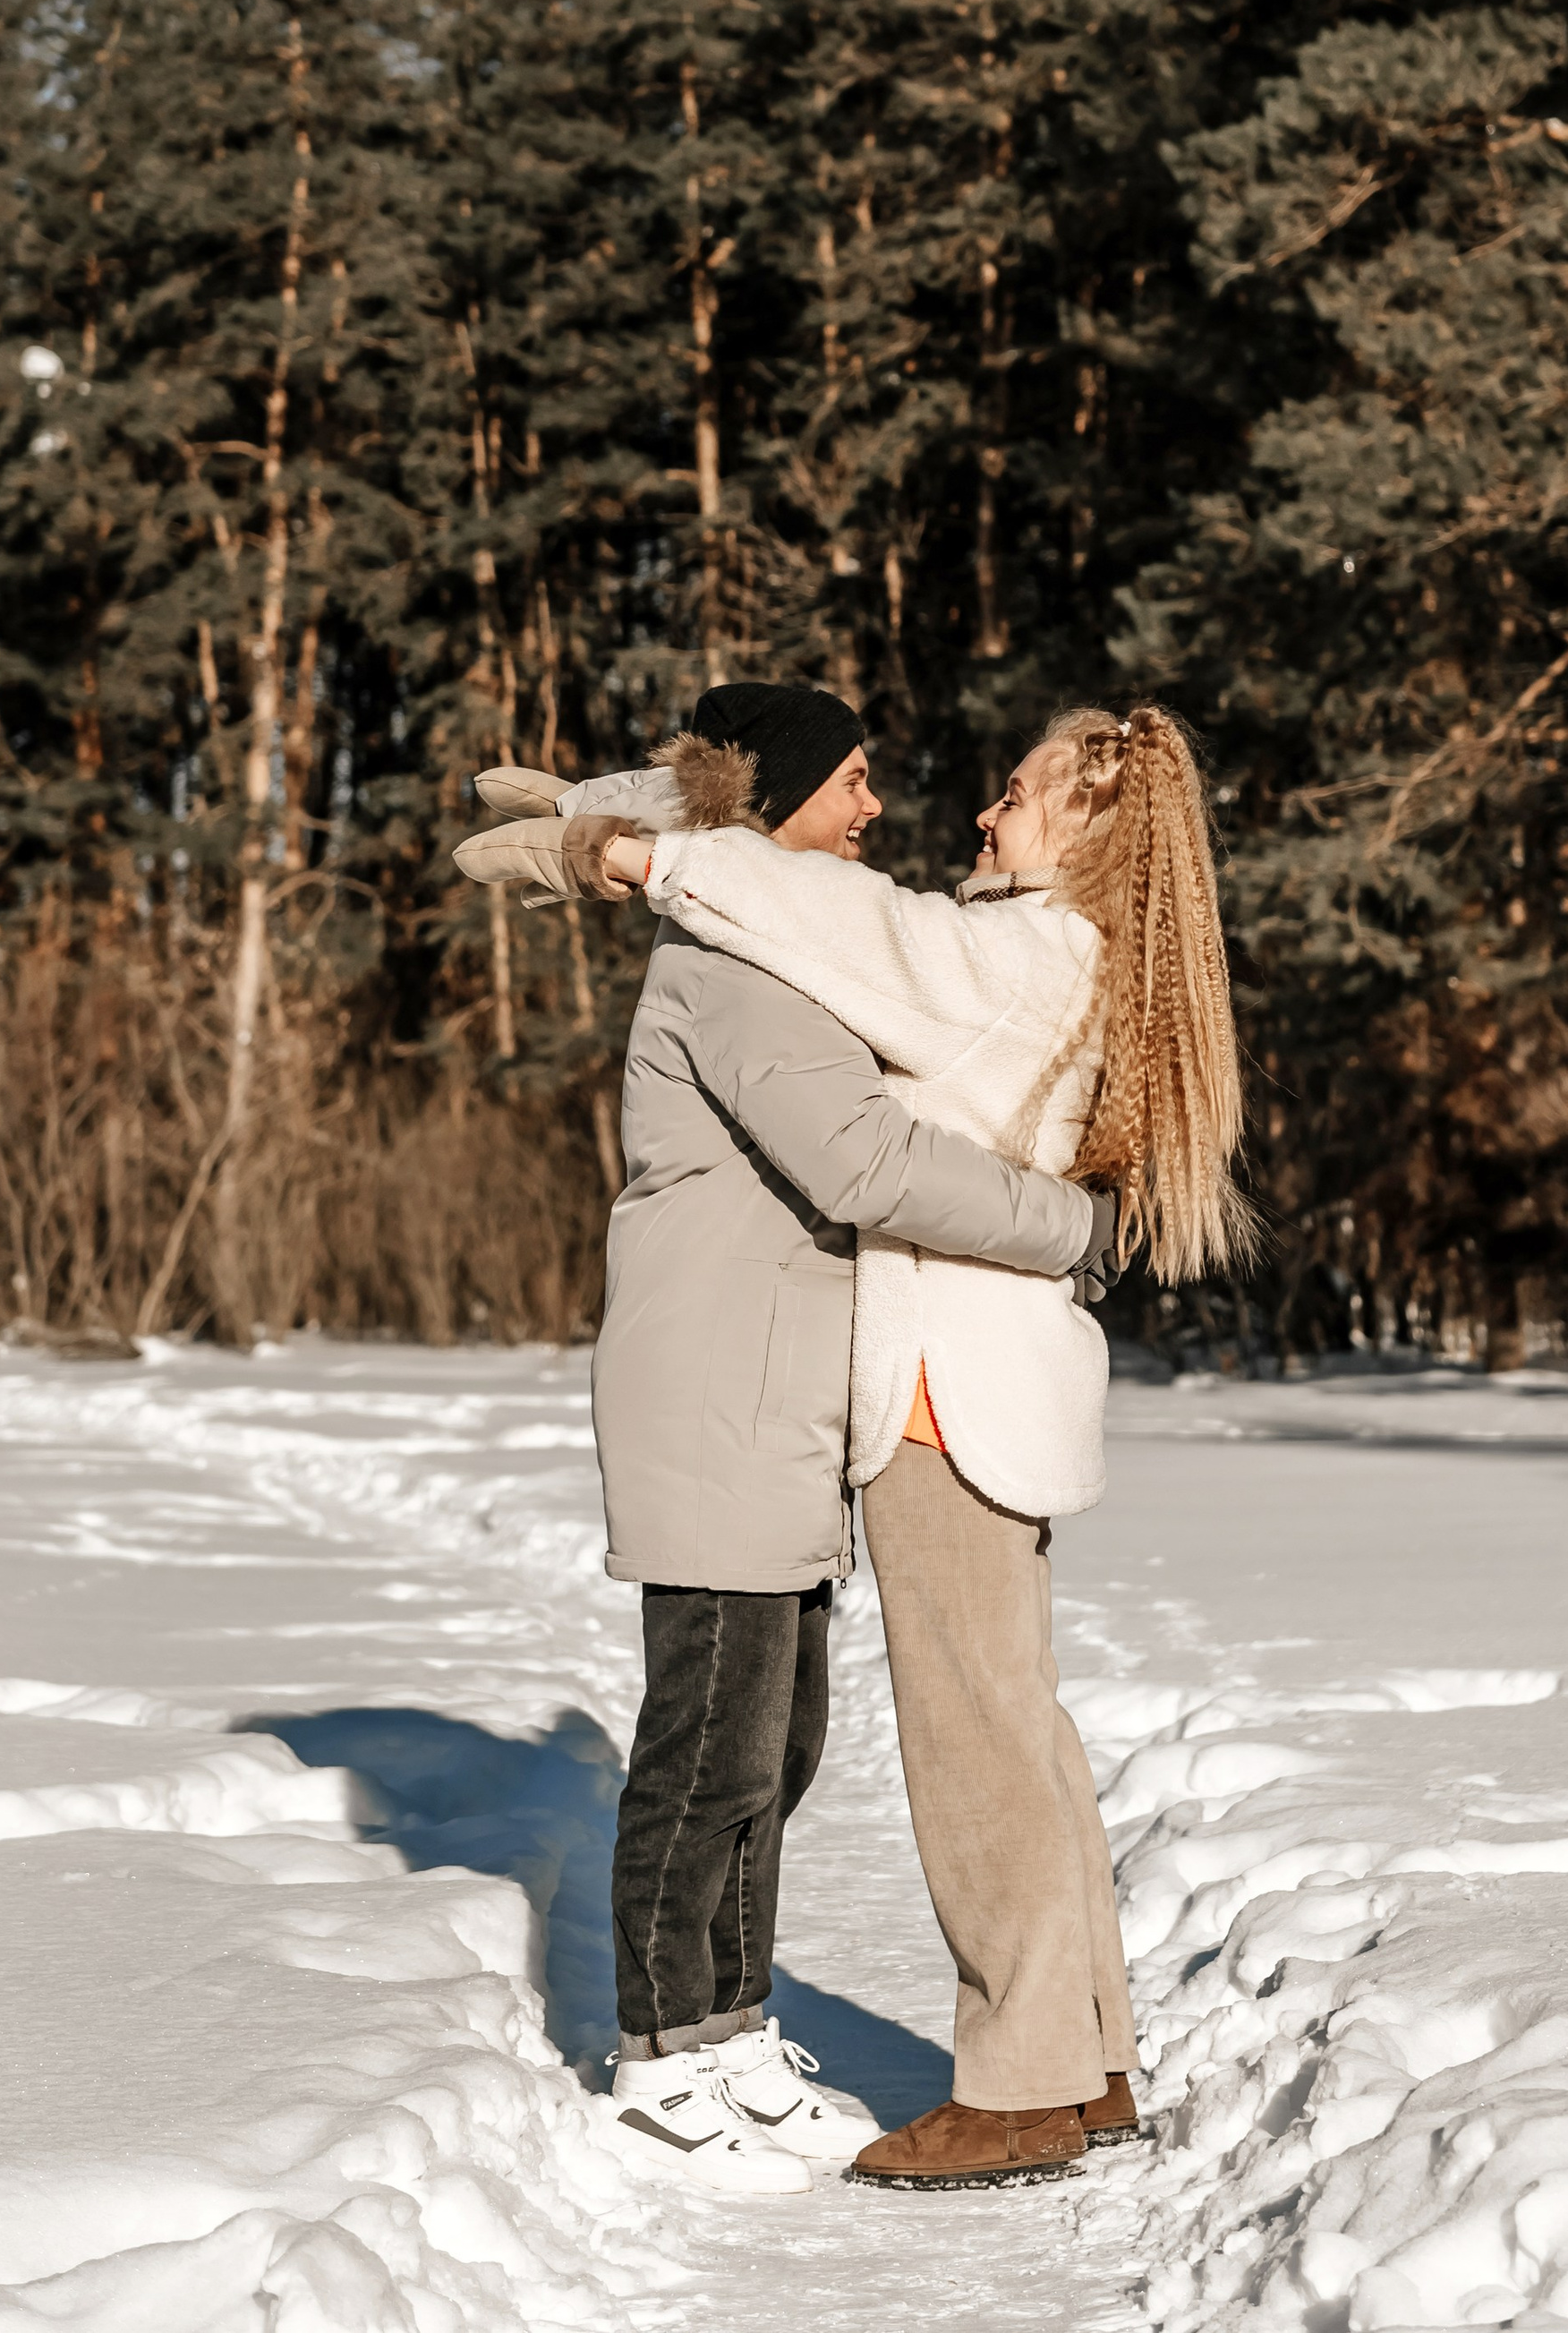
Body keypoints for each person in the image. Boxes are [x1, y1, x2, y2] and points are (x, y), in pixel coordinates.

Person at [557, 698, 1254, 2190]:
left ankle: (1019, 2084)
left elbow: (844, 920)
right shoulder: (1065, 956)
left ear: (1085, 828)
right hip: (998, 1383)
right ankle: (1093, 2057)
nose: (980, 818)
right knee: (1024, 1723)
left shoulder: (1017, 953)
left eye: (1013, 794)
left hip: (948, 1387)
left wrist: (636, 852)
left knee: (973, 1736)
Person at [454, 683, 1110, 2202]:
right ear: (789, 800)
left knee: (777, 1734)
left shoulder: (772, 939)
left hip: (778, 1403)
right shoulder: (739, 971)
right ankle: (665, 2052)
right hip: (720, 1396)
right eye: (859, 780)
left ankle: (730, 2028)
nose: (881, 811)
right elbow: (863, 1156)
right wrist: (1073, 1225)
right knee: (709, 1743)